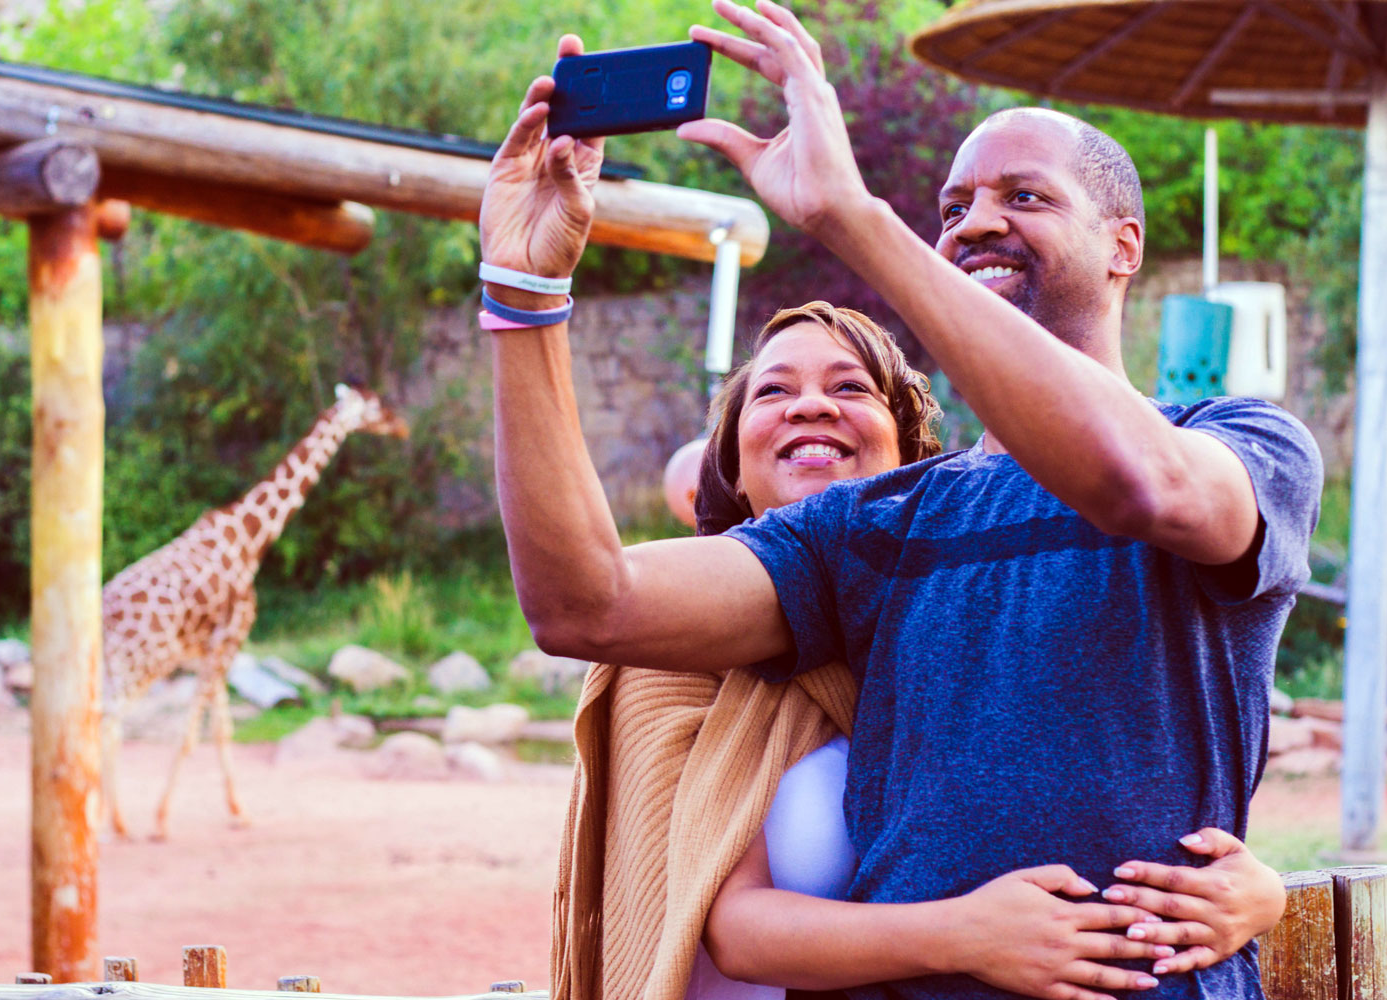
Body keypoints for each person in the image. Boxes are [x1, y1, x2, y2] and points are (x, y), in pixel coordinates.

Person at [477, 3, 1322, 996]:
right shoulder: (883, 524)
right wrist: (523, 293)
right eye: (954, 205)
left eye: (1027, 196)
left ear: (1123, 246)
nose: (977, 222)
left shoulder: (1244, 441)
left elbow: (1143, 485)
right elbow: (588, 603)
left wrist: (850, 215)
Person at [550, 302, 1288, 1000]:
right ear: (733, 466)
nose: (811, 405)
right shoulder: (671, 654)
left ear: (913, 465)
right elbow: (730, 932)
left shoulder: (941, 634)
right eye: (773, 390)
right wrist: (963, 935)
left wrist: (1262, 892)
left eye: (850, 387)